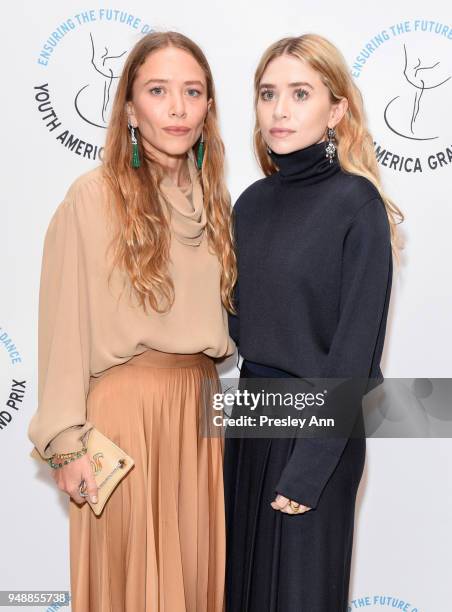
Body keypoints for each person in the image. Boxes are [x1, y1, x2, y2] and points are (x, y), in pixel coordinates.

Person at [28, 31, 237, 612]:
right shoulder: (92, 198)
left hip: (200, 419)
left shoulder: (217, 204)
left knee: (195, 585)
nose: (176, 107)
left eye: (192, 91)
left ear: (208, 108)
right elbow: (62, 329)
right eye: (158, 90)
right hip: (124, 424)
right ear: (129, 110)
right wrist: (66, 445)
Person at [224, 33, 404, 611]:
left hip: (317, 434)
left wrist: (310, 468)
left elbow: (355, 357)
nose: (280, 109)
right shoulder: (249, 204)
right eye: (268, 93)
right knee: (243, 592)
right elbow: (236, 331)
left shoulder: (358, 205)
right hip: (249, 425)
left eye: (300, 93)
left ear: (337, 109)